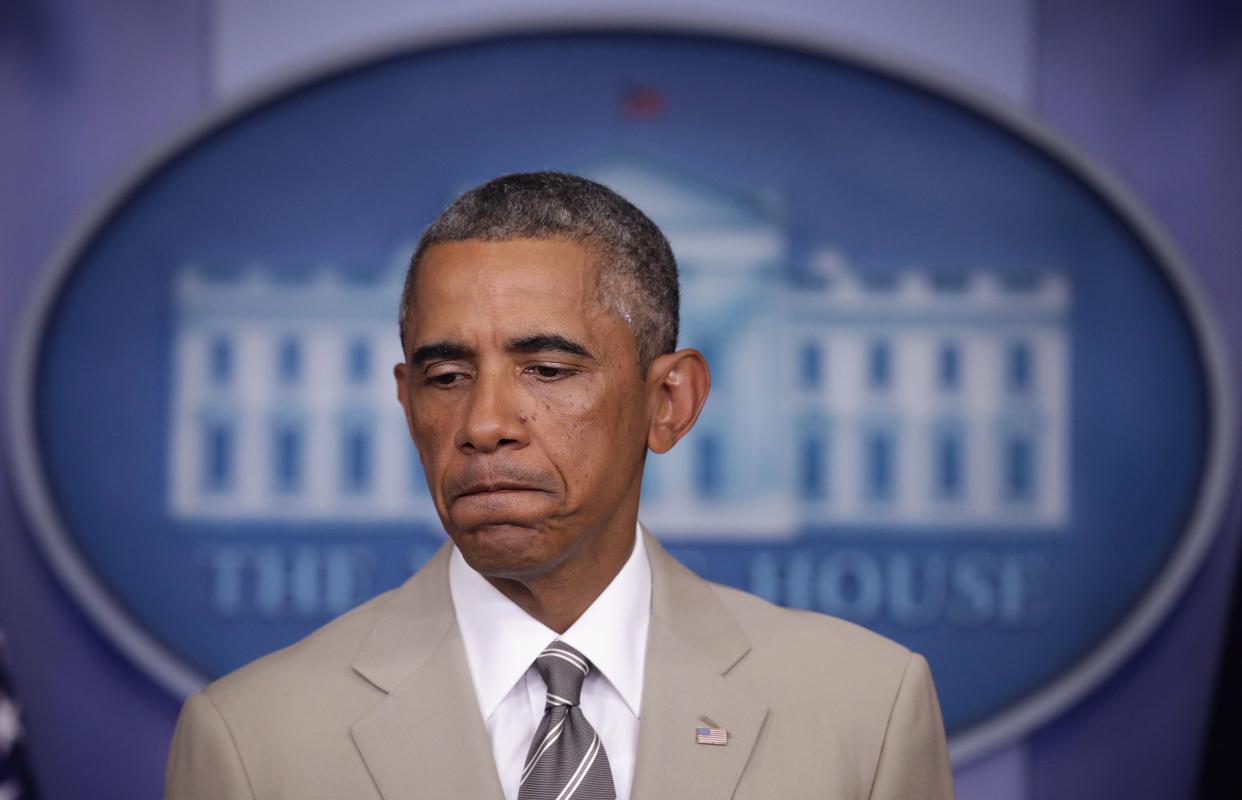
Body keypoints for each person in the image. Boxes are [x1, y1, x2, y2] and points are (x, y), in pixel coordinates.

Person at [164, 172, 955, 800]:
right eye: (446, 375)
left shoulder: (865, 711)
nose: (485, 422)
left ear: (669, 402)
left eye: (546, 370)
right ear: (406, 405)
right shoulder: (251, 743)